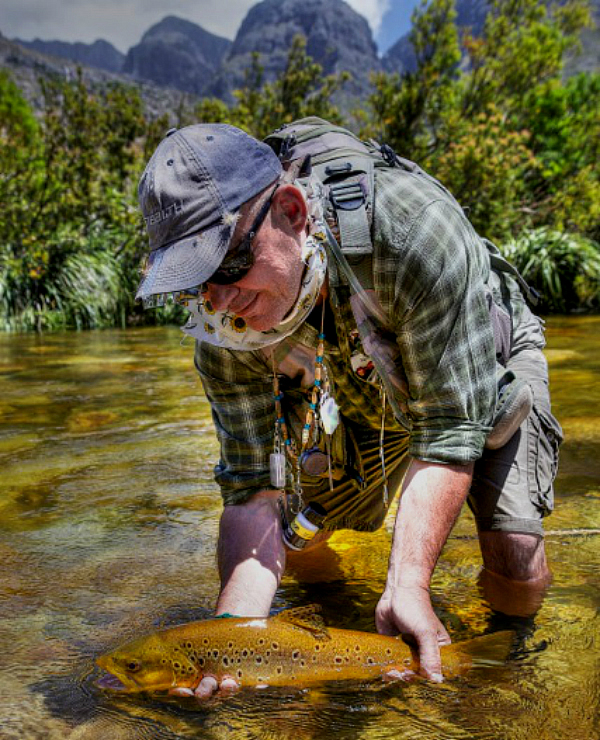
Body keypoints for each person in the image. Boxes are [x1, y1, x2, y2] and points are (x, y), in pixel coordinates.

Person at [135, 121, 563, 696]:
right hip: (354, 381)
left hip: (478, 363)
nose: (219, 299)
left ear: (290, 212)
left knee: (514, 561)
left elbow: (448, 427)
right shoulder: (222, 330)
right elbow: (252, 489)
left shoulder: (411, 232)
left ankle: (508, 679)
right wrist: (233, 637)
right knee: (302, 548)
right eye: (196, 282)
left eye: (230, 265)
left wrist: (409, 583)